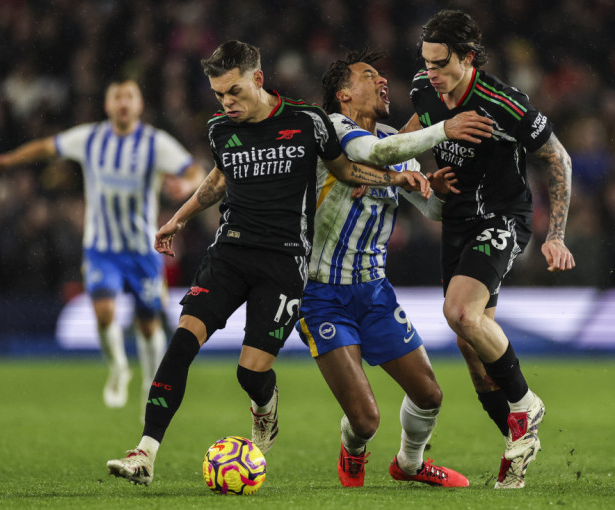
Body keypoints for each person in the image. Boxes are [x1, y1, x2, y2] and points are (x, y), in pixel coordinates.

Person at [105, 40, 431, 487]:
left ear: (258, 79)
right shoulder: (220, 128)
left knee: (250, 372)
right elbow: (220, 178)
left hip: (283, 263)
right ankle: (145, 452)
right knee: (181, 343)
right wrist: (178, 218)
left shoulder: (307, 121)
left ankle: (264, 405)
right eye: (219, 94)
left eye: (234, 91)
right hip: (230, 253)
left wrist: (395, 177)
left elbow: (344, 169)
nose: (226, 102)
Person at [296, 49, 494, 488]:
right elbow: (378, 152)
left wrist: (436, 191)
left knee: (429, 395)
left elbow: (430, 209)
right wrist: (444, 128)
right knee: (366, 420)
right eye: (369, 76)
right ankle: (353, 447)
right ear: (343, 94)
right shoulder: (332, 130)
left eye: (382, 75)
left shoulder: (394, 142)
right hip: (321, 294)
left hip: (374, 292)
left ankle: (409, 463)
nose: (382, 81)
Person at [405, 9, 575, 489]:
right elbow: (408, 138)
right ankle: (518, 442)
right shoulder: (424, 89)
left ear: (467, 58)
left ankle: (525, 404)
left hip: (502, 218)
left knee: (460, 313)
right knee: (472, 351)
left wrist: (555, 234)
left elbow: (558, 157)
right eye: (426, 62)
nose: (431, 73)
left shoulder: (504, 103)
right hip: (457, 221)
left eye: (440, 63)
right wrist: (407, 173)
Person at [0, 79, 205, 414]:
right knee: (103, 313)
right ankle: (118, 367)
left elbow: (195, 170)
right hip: (101, 247)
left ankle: (150, 381)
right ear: (107, 105)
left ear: (139, 105)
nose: (123, 102)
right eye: (117, 97)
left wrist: (187, 185)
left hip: (143, 249)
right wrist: (8, 161)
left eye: (129, 96)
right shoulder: (90, 138)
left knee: (148, 324)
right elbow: (47, 147)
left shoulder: (155, 143)